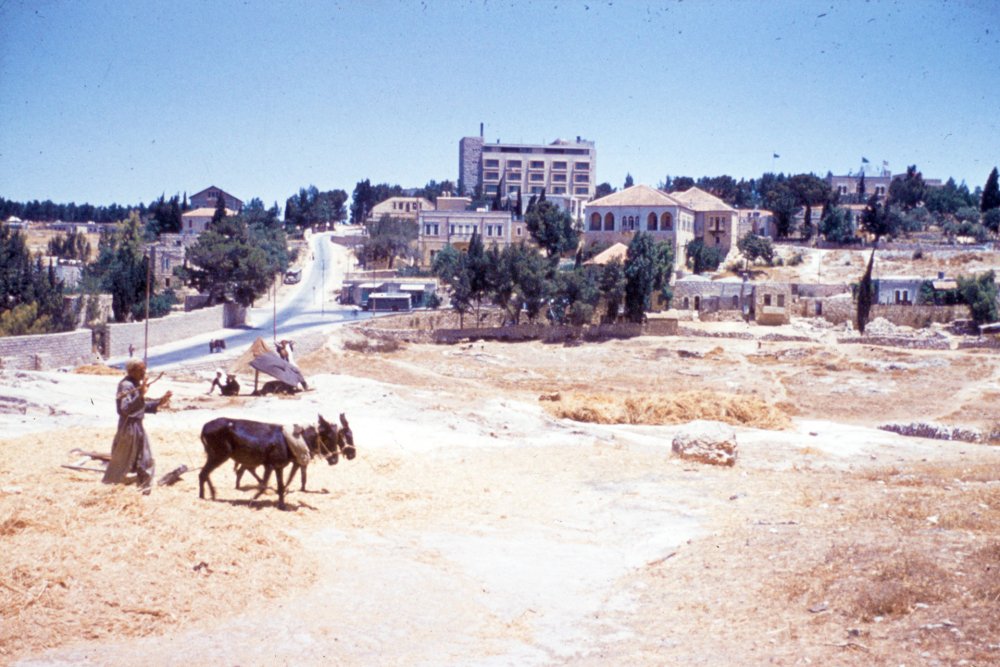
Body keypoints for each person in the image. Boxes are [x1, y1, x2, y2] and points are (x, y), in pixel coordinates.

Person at [102, 360, 172, 493]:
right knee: (122, 461)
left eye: (144, 370)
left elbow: (140, 407)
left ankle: (145, 489)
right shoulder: (126, 385)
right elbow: (125, 409)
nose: (144, 373)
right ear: (132, 370)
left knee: (145, 459)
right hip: (128, 428)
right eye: (141, 370)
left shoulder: (135, 384)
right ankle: (109, 488)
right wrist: (140, 394)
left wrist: (159, 402)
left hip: (137, 426)